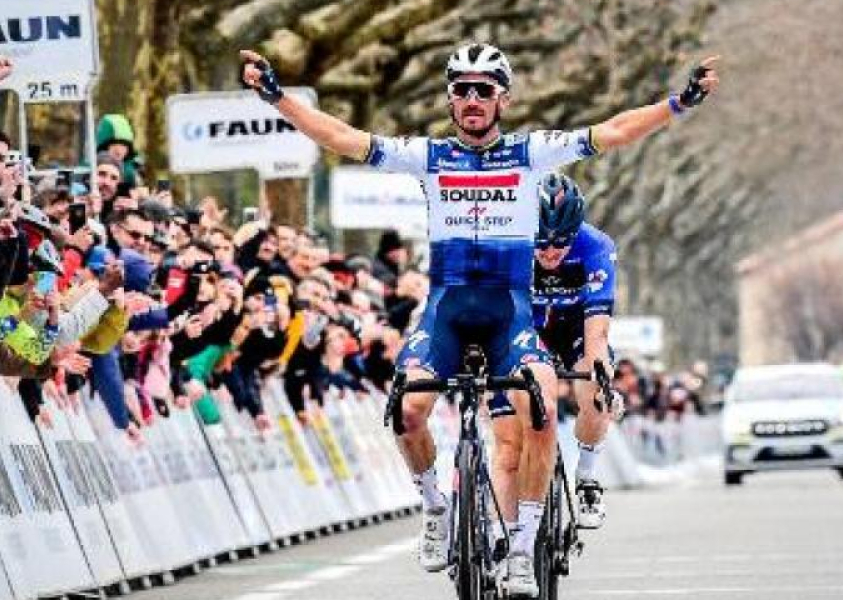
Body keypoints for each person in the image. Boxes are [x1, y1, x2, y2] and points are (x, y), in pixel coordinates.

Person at [239, 42, 720, 597]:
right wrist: (277, 98)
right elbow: (342, 138)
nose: (471, 99)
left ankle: (522, 550)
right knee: (407, 410)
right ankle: (436, 510)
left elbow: (612, 131)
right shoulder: (428, 158)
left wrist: (678, 103)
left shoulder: (530, 153)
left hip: (508, 312)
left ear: (502, 99)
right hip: (445, 310)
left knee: (538, 411)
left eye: (483, 90)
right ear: (450, 98)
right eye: (461, 89)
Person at [488, 173, 617, 537]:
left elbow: (597, 332)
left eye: (560, 243)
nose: (549, 252)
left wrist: (598, 373)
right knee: (509, 449)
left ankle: (587, 476)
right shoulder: (504, 247)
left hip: (575, 330)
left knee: (594, 390)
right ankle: (507, 537)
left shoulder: (596, 247)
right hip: (523, 333)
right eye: (540, 243)